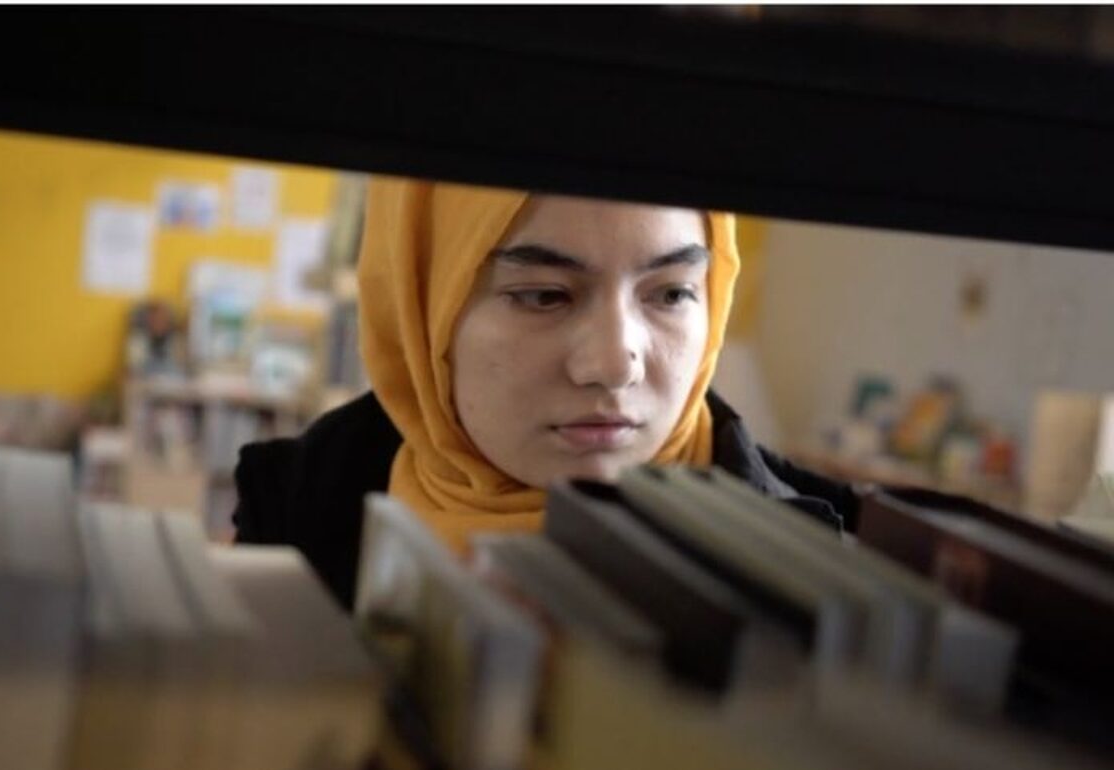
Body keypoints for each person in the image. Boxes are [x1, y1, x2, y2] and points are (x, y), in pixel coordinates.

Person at [234, 178, 856, 610]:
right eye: (543, 295)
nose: (614, 366)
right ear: (420, 304)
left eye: (671, 293)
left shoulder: (828, 572)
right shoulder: (298, 509)